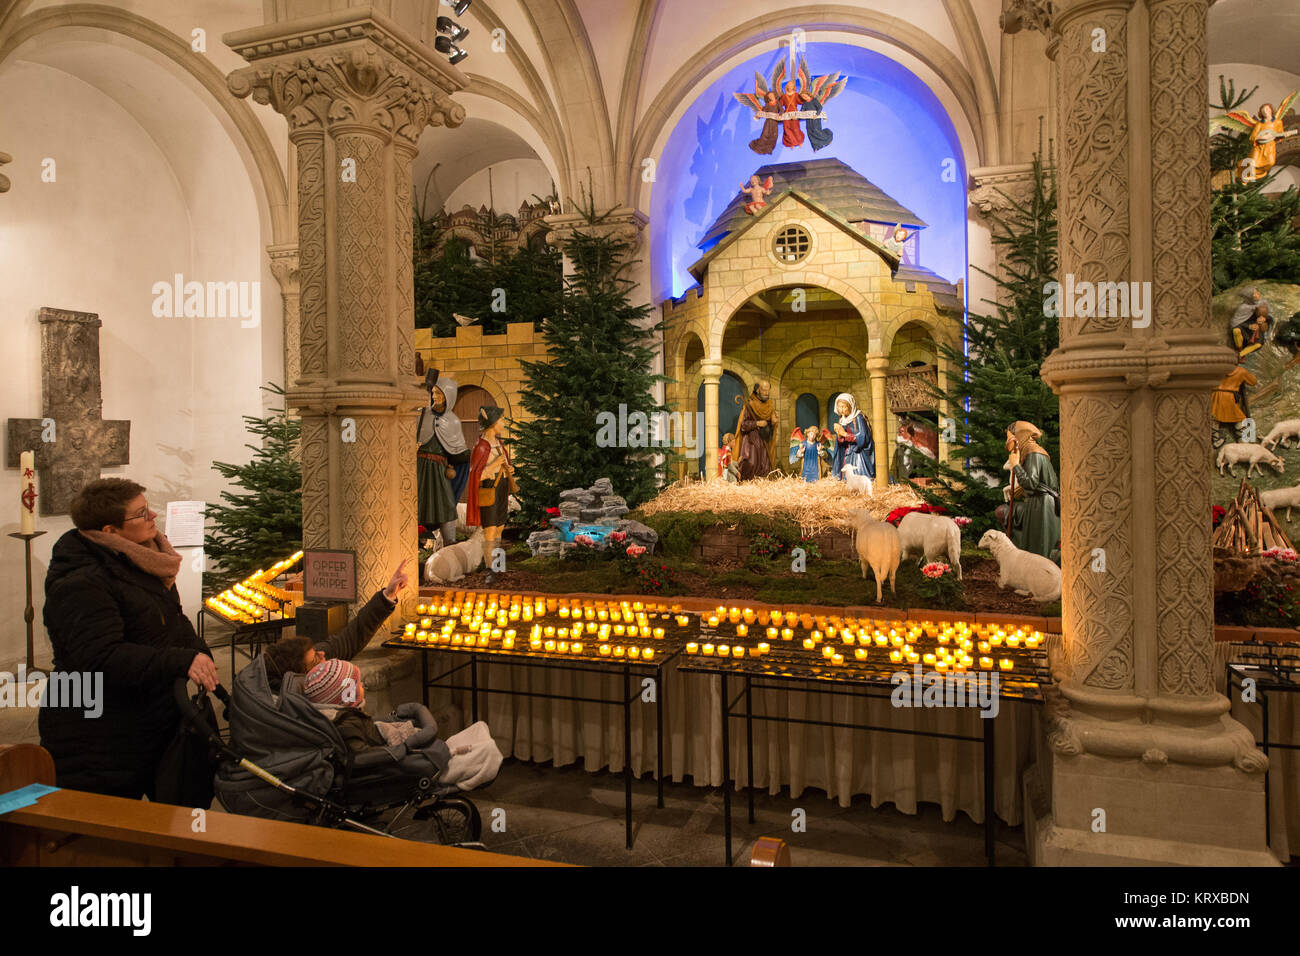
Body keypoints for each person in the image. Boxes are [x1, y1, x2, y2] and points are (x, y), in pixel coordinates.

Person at [39, 478, 219, 799]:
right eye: (140, 514)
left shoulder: (142, 559)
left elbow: (170, 619)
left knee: (165, 822)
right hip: (96, 733)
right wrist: (181, 660)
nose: (152, 517)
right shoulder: (80, 583)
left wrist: (199, 652)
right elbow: (102, 657)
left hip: (146, 717)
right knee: (109, 832)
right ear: (110, 531)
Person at [261, 559, 412, 688]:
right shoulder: (306, 710)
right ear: (301, 680)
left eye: (315, 650)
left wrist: (388, 595)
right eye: (314, 659)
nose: (322, 654)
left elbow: (351, 636)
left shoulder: (315, 659)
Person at [417, 376, 471, 548]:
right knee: (417, 504)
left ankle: (450, 545)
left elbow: (457, 451)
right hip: (421, 468)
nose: (434, 397)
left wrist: (465, 455)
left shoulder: (452, 421)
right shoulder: (422, 414)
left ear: (449, 396)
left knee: (446, 506)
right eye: (433, 393)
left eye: (439, 394)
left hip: (440, 471)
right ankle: (415, 543)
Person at [467, 406, 514, 583]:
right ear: (492, 423)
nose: (503, 423)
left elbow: (505, 465)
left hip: (501, 488)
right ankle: (489, 569)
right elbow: (476, 475)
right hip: (489, 490)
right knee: (490, 531)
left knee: (500, 528)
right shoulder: (481, 447)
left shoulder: (499, 444)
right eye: (501, 420)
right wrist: (495, 465)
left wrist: (508, 468)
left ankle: (498, 565)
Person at [1005, 421, 1060, 561]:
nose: (1010, 444)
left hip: (1041, 506)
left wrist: (1016, 465)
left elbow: (1031, 483)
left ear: (1021, 436)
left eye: (1013, 438)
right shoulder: (1034, 452)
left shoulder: (1033, 453)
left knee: (1039, 551)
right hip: (1038, 503)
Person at [736, 380, 779, 480]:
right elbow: (743, 425)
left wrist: (773, 423)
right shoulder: (750, 404)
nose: (766, 393)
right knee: (751, 463)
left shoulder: (769, 406)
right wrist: (756, 423)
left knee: (764, 465)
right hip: (751, 442)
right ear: (757, 390)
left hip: (764, 442)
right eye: (764, 390)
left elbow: (770, 427)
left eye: (768, 390)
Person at [1211, 357, 1258, 446]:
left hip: (1214, 396)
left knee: (1214, 417)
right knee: (1240, 418)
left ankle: (1216, 439)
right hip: (1228, 397)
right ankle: (1244, 441)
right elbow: (1253, 381)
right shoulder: (1241, 371)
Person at [830, 393, 874, 482]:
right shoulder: (841, 420)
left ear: (850, 406)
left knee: (858, 475)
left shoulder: (858, 417)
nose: (841, 410)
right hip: (847, 451)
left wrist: (844, 434)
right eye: (839, 407)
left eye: (844, 407)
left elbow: (863, 438)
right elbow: (841, 442)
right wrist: (839, 435)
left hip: (858, 453)